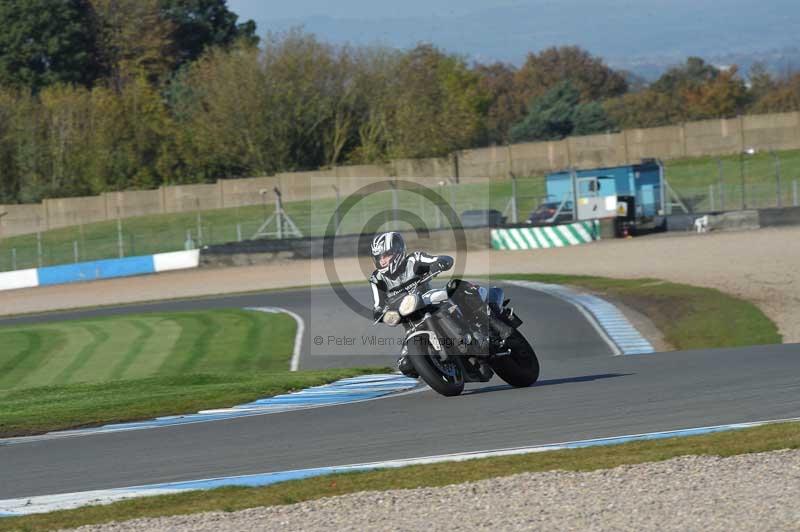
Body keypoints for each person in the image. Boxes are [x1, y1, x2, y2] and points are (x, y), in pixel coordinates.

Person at [369, 231, 453, 377]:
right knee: (406, 365)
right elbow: (378, 305)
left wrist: (439, 264)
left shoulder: (414, 259)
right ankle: (434, 369)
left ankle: (490, 319)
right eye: (378, 257)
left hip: (429, 302)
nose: (382, 261)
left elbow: (440, 259)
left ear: (397, 251)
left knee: (457, 287)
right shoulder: (377, 279)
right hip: (409, 320)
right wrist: (380, 314)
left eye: (386, 255)